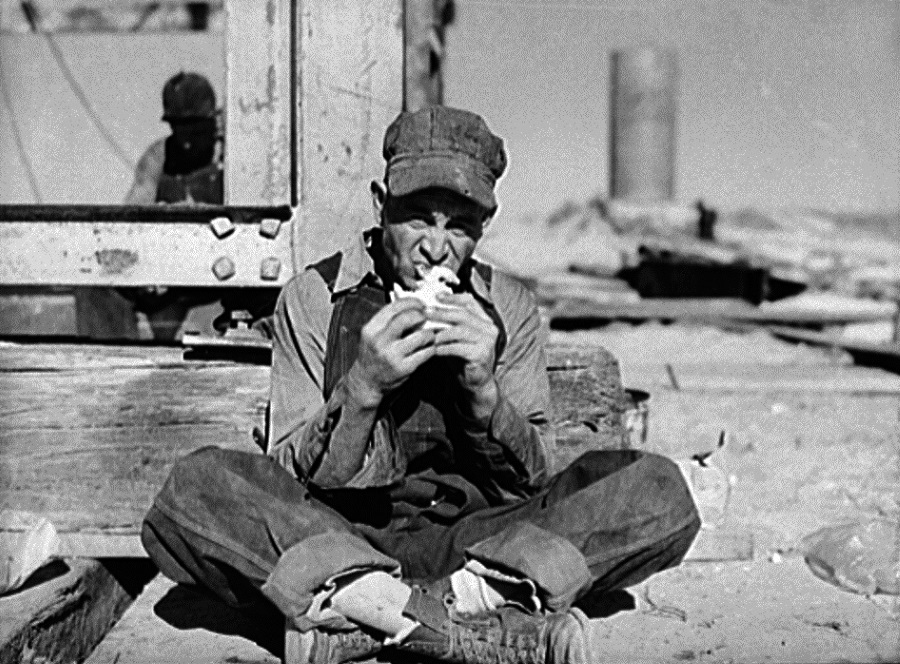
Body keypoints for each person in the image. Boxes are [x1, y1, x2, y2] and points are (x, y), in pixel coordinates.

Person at [141, 106, 700, 664]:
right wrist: (361, 388)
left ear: (484, 225)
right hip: (341, 536)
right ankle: (470, 625)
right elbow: (289, 473)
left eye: (458, 225)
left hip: (484, 545)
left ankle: (372, 616)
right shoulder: (313, 297)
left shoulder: (509, 306)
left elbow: (528, 485)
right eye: (417, 218)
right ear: (381, 205)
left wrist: (484, 391)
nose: (436, 247)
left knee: (659, 491)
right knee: (192, 489)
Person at [76, 71, 224, 341]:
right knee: (95, 286)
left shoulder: (232, 159)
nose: (187, 138)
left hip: (215, 280)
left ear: (212, 122)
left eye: (195, 127)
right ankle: (110, 367)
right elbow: (132, 215)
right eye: (179, 127)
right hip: (167, 274)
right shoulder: (159, 157)